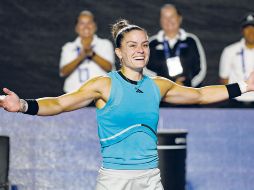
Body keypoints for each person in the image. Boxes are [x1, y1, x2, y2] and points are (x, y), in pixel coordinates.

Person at [1, 19, 254, 190]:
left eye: (144, 45)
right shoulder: (104, 85)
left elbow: (200, 95)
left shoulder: (158, 85)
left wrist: (245, 86)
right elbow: (59, 104)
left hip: (151, 179)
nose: (141, 50)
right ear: (119, 53)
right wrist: (23, 104)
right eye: (132, 45)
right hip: (114, 180)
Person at [147, 4, 206, 87]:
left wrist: (187, 86)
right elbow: (144, 69)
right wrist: (162, 86)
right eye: (165, 17)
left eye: (172, 16)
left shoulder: (191, 40)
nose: (169, 20)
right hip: (160, 94)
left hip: (189, 93)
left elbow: (201, 69)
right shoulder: (151, 43)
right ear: (160, 20)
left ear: (179, 18)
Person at [59, 10, 115, 93]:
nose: (86, 27)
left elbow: (109, 68)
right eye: (82, 23)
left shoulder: (105, 44)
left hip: (100, 94)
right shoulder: (69, 47)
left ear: (95, 26)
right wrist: (80, 57)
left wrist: (92, 54)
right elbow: (63, 72)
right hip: (73, 95)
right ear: (76, 28)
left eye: (89, 23)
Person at [219, 12, 254, 108]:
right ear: (242, 31)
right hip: (236, 102)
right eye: (247, 28)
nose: (251, 31)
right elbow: (224, 79)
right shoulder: (230, 51)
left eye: (253, 27)